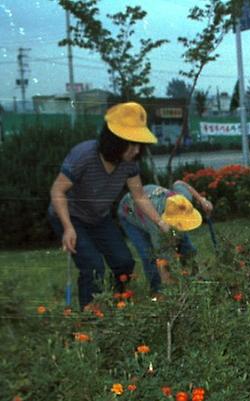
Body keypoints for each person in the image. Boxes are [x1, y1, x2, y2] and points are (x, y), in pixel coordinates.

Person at [48, 101, 165, 311]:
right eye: (132, 144)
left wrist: (159, 222)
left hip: (98, 218)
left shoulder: (129, 163)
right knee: (92, 266)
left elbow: (139, 196)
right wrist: (68, 228)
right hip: (70, 215)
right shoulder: (83, 155)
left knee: (124, 262)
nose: (136, 150)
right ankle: (91, 315)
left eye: (139, 144)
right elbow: (57, 191)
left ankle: (116, 303)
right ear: (115, 141)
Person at [118, 181, 212, 295]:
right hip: (129, 212)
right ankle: (158, 292)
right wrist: (172, 292)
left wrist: (202, 200)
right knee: (150, 255)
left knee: (187, 248)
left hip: (149, 200)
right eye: (179, 225)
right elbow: (163, 260)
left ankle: (195, 281)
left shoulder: (183, 200)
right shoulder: (156, 224)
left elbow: (180, 183)